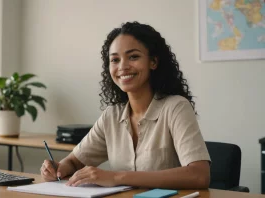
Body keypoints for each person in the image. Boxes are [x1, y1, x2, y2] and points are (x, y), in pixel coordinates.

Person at [40, 21, 211, 189]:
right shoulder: (111, 116)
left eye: (133, 57)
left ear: (153, 62)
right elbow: (74, 161)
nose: (123, 66)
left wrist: (116, 177)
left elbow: (199, 175)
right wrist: (59, 168)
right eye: (115, 60)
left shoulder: (176, 107)